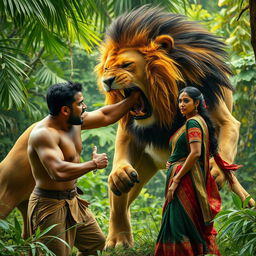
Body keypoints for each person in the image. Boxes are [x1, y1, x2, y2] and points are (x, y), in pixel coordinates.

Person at [27, 81, 140, 256]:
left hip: (73, 200)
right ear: (65, 110)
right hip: (48, 204)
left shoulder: (75, 121)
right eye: (80, 104)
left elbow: (105, 115)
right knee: (57, 253)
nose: (84, 106)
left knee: (96, 244)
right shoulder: (43, 134)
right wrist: (93, 164)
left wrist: (133, 98)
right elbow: (58, 171)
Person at [154, 86, 254, 256]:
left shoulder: (193, 122)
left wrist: (176, 180)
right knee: (180, 224)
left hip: (184, 182)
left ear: (197, 103)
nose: (181, 104)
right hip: (183, 176)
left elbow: (195, 154)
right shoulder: (195, 122)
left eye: (186, 101)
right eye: (180, 101)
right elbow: (187, 153)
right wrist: (173, 162)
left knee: (177, 226)